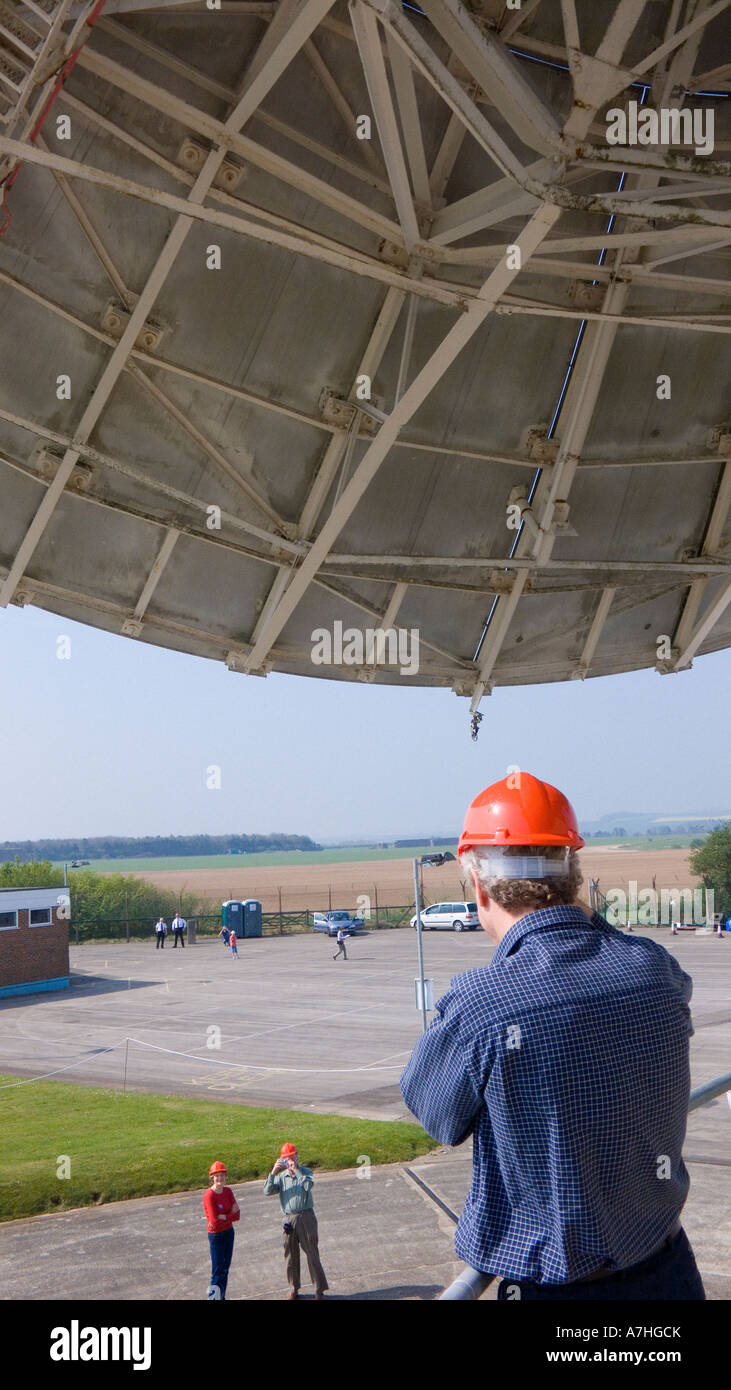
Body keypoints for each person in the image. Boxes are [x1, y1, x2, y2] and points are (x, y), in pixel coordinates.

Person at [400, 772, 704, 1301]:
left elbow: (435, 1114)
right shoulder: (656, 970)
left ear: (478, 887)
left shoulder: (482, 1001)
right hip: (668, 1272)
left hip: (557, 1292)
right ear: (574, 877)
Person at [263, 1143, 328, 1299]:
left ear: (297, 1156)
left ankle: (319, 1289)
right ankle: (293, 1287)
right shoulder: (281, 1177)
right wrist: (273, 1172)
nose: (290, 1160)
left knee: (312, 1253)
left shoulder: (305, 1172)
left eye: (292, 1156)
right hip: (289, 1218)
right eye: (286, 1158)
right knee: (290, 1254)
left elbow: (308, 1185)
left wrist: (296, 1171)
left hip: (306, 1216)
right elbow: (267, 1191)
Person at [203, 1161, 240, 1300]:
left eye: (222, 1175)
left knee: (225, 1269)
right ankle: (213, 1298)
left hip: (228, 1233)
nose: (220, 1179)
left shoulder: (228, 1191)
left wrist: (225, 1216)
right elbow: (214, 1222)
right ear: (212, 1178)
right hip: (216, 1236)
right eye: (217, 1176)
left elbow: (238, 1215)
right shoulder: (209, 1195)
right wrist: (229, 1215)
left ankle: (221, 1297)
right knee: (217, 1271)